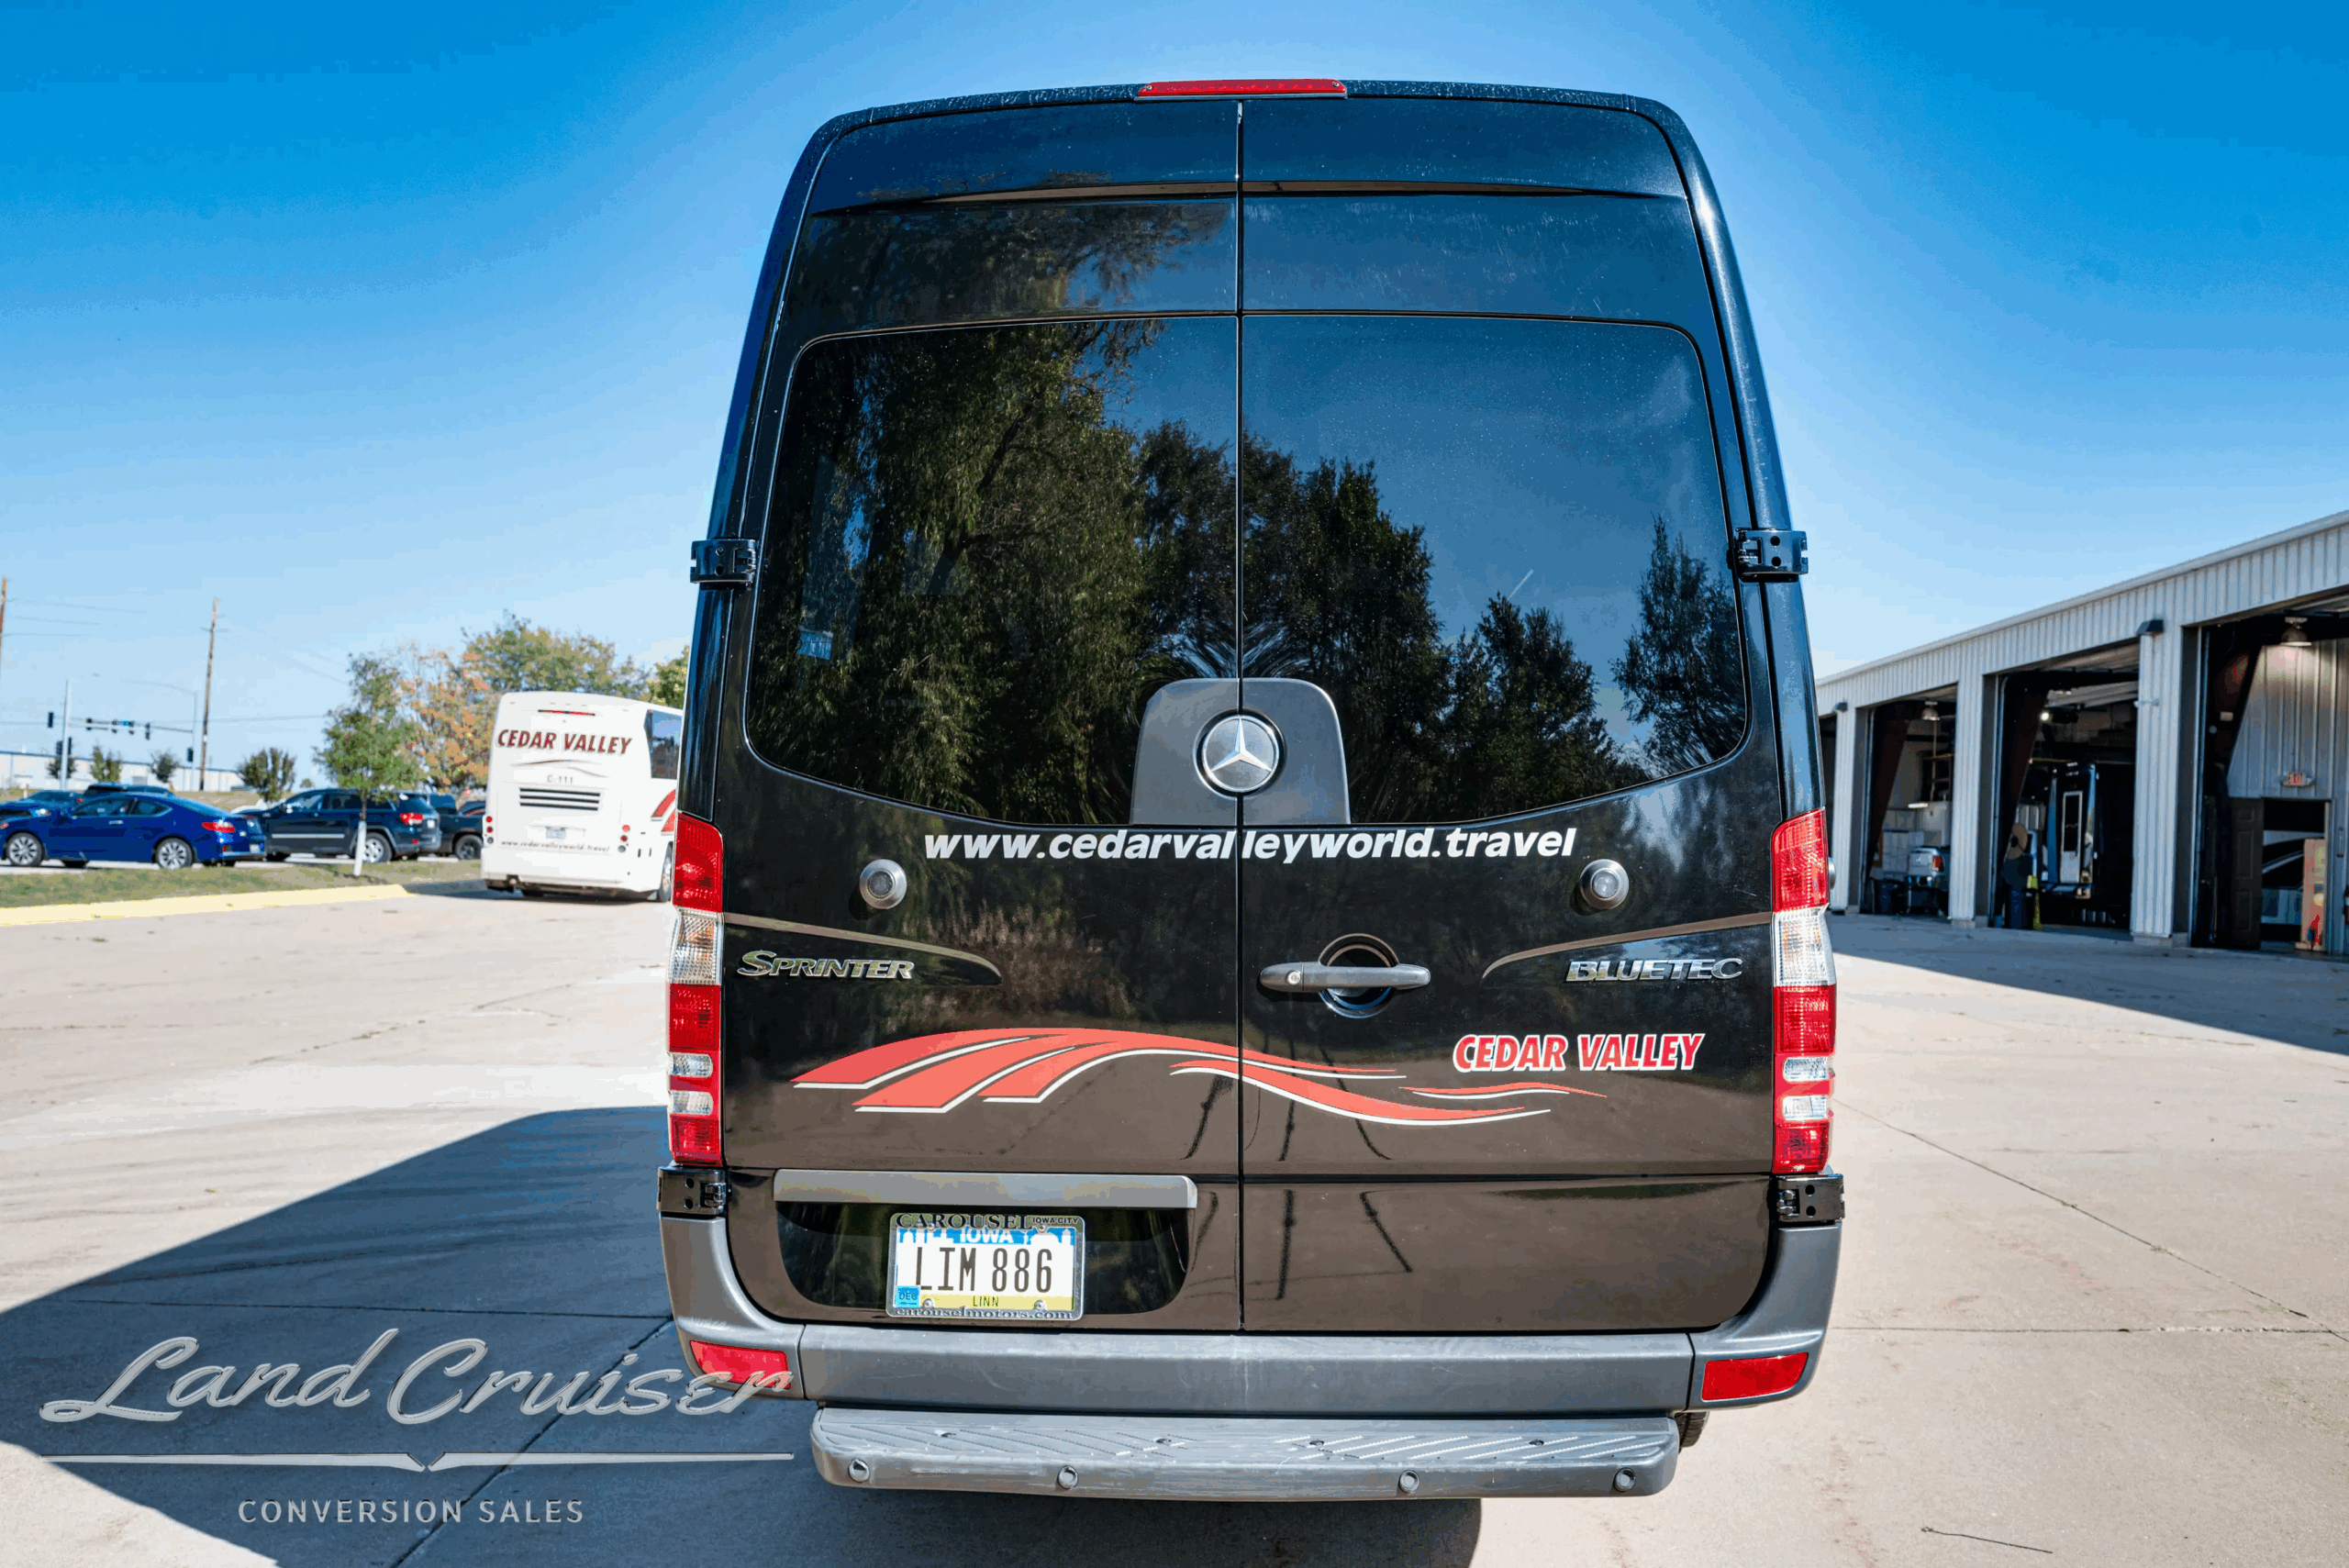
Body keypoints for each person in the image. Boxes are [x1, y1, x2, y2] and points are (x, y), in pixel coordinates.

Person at [1998, 828, 2031, 929]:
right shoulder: (2025, 858)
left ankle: (2008, 922)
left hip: (2011, 888)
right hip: (2020, 889)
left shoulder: (2008, 858)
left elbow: (2003, 873)